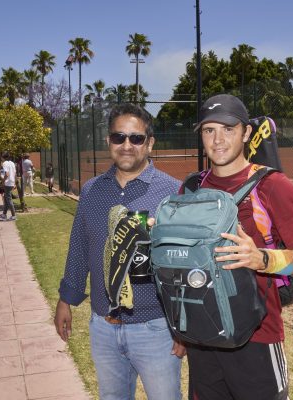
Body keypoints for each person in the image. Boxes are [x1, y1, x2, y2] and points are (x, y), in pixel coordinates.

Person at [187, 94, 293, 400]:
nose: (218, 140)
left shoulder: (272, 185)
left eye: (228, 129)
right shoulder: (191, 188)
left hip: (257, 337)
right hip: (202, 337)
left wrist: (262, 259)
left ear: (246, 133)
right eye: (209, 130)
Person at [54, 103, 184, 400]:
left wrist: (184, 327)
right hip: (104, 327)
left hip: (156, 329)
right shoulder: (91, 191)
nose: (127, 145)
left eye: (136, 138)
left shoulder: (174, 193)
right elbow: (80, 248)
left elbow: (184, 266)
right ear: (108, 141)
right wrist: (66, 300)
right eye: (118, 137)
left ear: (150, 143)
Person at [0, 152, 17, 221]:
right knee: (6, 199)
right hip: (11, 182)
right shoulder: (12, 163)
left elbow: (7, 174)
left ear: (3, 157)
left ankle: (13, 215)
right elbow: (15, 174)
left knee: (8, 199)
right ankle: (4, 214)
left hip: (7, 183)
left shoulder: (5, 163)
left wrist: (3, 181)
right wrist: (14, 182)